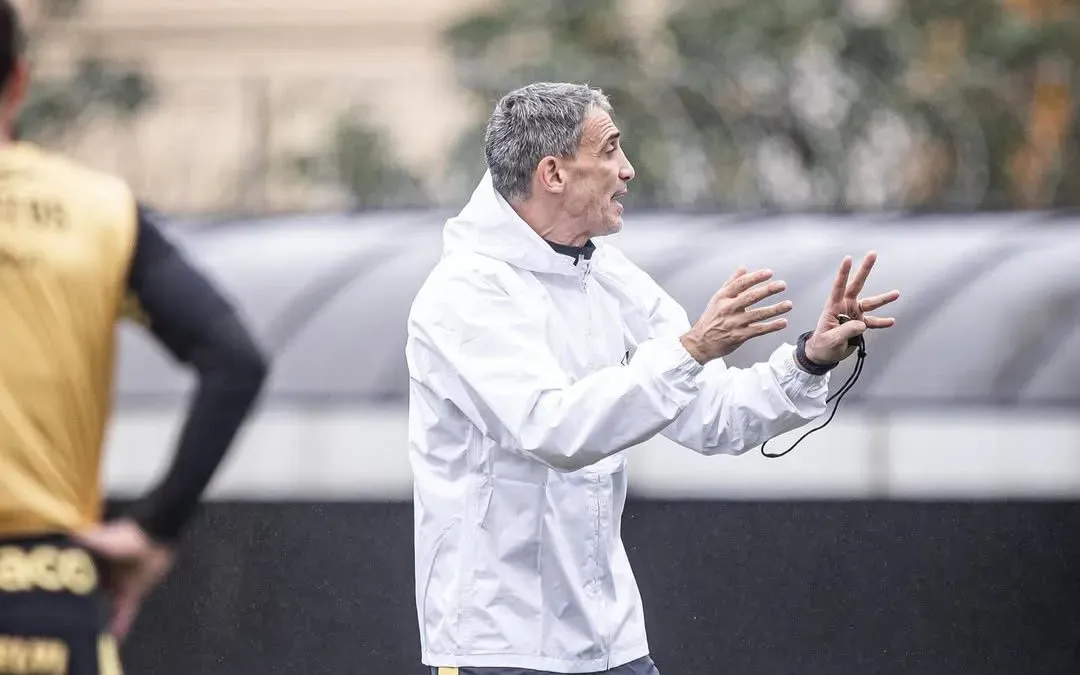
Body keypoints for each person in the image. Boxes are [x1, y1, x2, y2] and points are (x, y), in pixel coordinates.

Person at [405, 82, 900, 675]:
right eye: (610, 149)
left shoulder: (608, 274)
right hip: (498, 650)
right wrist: (691, 350)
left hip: (613, 646)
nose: (628, 169)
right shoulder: (464, 292)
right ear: (553, 173)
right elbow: (553, 429)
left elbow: (713, 416)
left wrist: (809, 361)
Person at [0, 3, 269, 673]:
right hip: (48, 590)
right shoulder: (100, 212)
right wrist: (156, 526)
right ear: (19, 80)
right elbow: (234, 360)